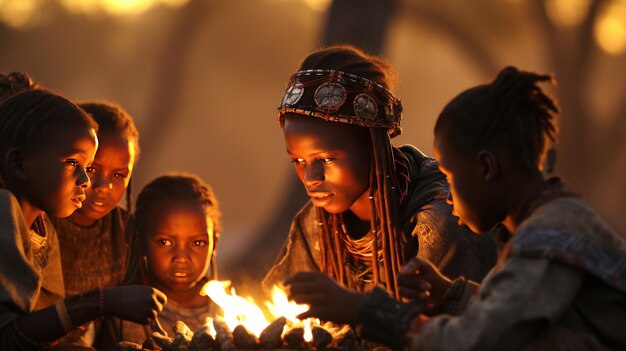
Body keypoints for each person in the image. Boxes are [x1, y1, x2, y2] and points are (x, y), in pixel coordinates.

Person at [288, 66, 626, 350]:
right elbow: (510, 317)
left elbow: (474, 342)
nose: (447, 194)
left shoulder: (549, 239)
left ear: (486, 168)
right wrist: (450, 295)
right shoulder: (553, 223)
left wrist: (364, 309)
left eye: (449, 175)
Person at [263, 45, 497, 302]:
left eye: (327, 158)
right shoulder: (315, 224)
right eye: (298, 160)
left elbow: (449, 333)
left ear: (373, 146)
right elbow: (279, 308)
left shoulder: (444, 220)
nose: (311, 178)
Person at [0, 89, 166, 350]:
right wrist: (102, 302)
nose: (88, 182)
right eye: (74, 163)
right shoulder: (4, 211)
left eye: (85, 168)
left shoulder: (43, 229)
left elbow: (41, 333)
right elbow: (9, 339)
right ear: (18, 164)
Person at [97, 174, 221, 349]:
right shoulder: (124, 312)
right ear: (140, 243)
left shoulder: (232, 310)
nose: (181, 257)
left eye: (197, 243)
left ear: (214, 244)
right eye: (165, 242)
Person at [51, 101, 140, 345]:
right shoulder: (39, 221)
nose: (103, 186)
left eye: (119, 175)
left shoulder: (125, 233)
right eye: (91, 169)